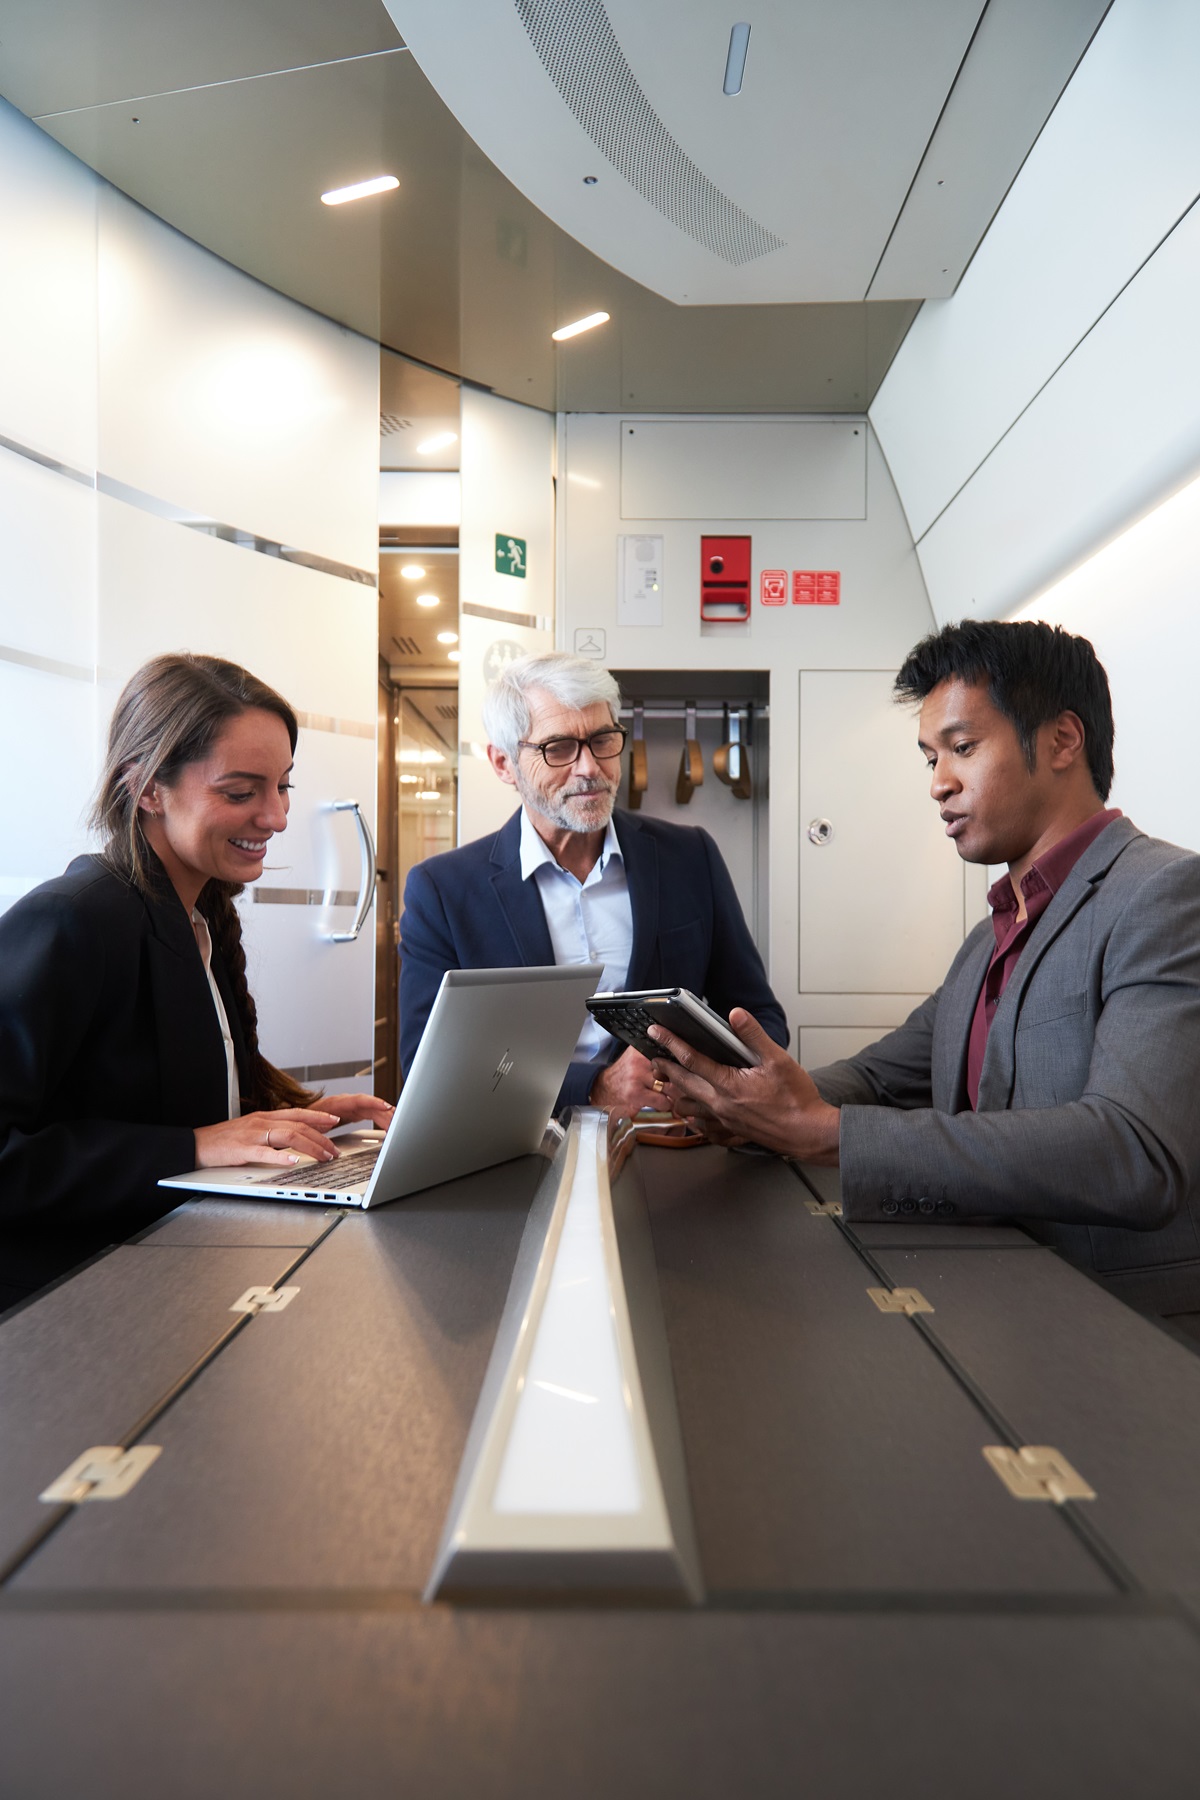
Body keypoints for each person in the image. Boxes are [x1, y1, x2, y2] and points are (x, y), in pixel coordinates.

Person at [650, 620, 1200, 1327]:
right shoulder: (989, 939)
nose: (939, 784)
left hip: (1121, 1338)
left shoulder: (1164, 894)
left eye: (963, 749)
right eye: (930, 757)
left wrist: (822, 1133)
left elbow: (1134, 1152)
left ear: (1064, 740)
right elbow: (882, 1078)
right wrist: (747, 1106)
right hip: (1000, 1311)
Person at [0, 654, 393, 1309]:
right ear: (149, 787)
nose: (276, 817)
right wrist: (191, 1146)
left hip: (180, 1273)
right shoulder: (72, 918)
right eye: (241, 792)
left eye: (282, 787)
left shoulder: (204, 912)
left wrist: (291, 1117)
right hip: (70, 1305)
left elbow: (174, 1101)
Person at [399, 651, 788, 1114]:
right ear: (504, 764)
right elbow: (426, 1065)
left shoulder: (689, 857)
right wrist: (592, 1086)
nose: (589, 768)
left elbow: (759, 1020)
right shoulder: (444, 891)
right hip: (522, 1150)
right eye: (558, 748)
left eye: (602, 740)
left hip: (669, 1139)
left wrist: (703, 1074)